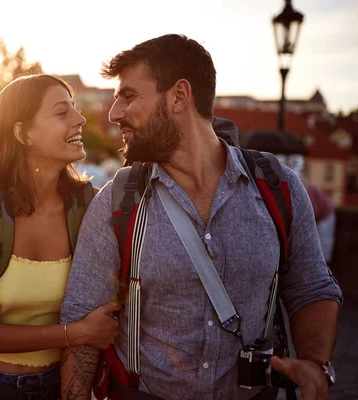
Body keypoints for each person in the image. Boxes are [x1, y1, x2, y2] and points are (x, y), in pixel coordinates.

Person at [60, 35, 343, 400]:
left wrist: (315, 361)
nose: (114, 113)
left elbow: (311, 288)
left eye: (128, 97)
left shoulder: (278, 188)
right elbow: (81, 328)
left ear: (179, 95)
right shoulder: (117, 203)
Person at [0, 74, 120, 400]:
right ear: (22, 132)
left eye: (75, 109)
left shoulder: (91, 208)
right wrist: (79, 333)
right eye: (62, 113)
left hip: (62, 385)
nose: (80, 119)